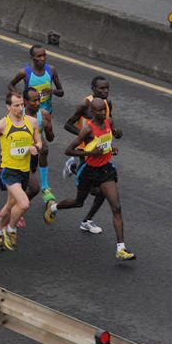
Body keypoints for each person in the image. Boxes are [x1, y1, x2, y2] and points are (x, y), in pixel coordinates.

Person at [44, 98, 135, 261]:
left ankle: (121, 248)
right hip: (89, 171)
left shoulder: (109, 121)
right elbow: (68, 150)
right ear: (92, 112)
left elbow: (111, 135)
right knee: (78, 202)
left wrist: (117, 134)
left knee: (116, 207)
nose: (103, 112)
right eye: (99, 110)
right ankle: (54, 207)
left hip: (106, 170)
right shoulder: (87, 130)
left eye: (104, 109)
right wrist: (90, 154)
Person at [0, 91, 42, 252]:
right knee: (23, 204)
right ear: (8, 106)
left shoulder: (32, 122)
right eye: (16, 105)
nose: (20, 108)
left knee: (9, 206)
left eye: (22, 104)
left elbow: (39, 142)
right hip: (9, 171)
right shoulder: (2, 124)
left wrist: (35, 148)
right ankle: (11, 229)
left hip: (24, 171)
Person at [0, 87, 55, 228]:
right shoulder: (17, 116)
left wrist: (48, 128)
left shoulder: (44, 115)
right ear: (25, 102)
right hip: (15, 160)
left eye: (39, 100)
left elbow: (50, 139)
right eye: (33, 101)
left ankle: (8, 213)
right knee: (33, 188)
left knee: (21, 191)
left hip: (31, 159)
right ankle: (8, 218)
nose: (37, 103)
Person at [61, 76, 113, 234]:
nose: (105, 91)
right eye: (101, 88)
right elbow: (67, 124)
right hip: (84, 150)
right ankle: (74, 169)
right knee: (91, 192)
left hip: (100, 151)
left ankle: (87, 221)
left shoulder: (107, 104)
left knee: (101, 191)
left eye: (107, 88)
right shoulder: (85, 104)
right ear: (93, 89)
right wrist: (85, 135)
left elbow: (108, 123)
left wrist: (113, 136)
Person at [8, 45, 63, 115]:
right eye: (39, 56)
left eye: (44, 55)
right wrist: (20, 97)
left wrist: (52, 91)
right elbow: (11, 85)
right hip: (30, 113)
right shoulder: (24, 72)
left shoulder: (51, 70)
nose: (42, 58)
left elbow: (61, 92)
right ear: (32, 58)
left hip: (46, 112)